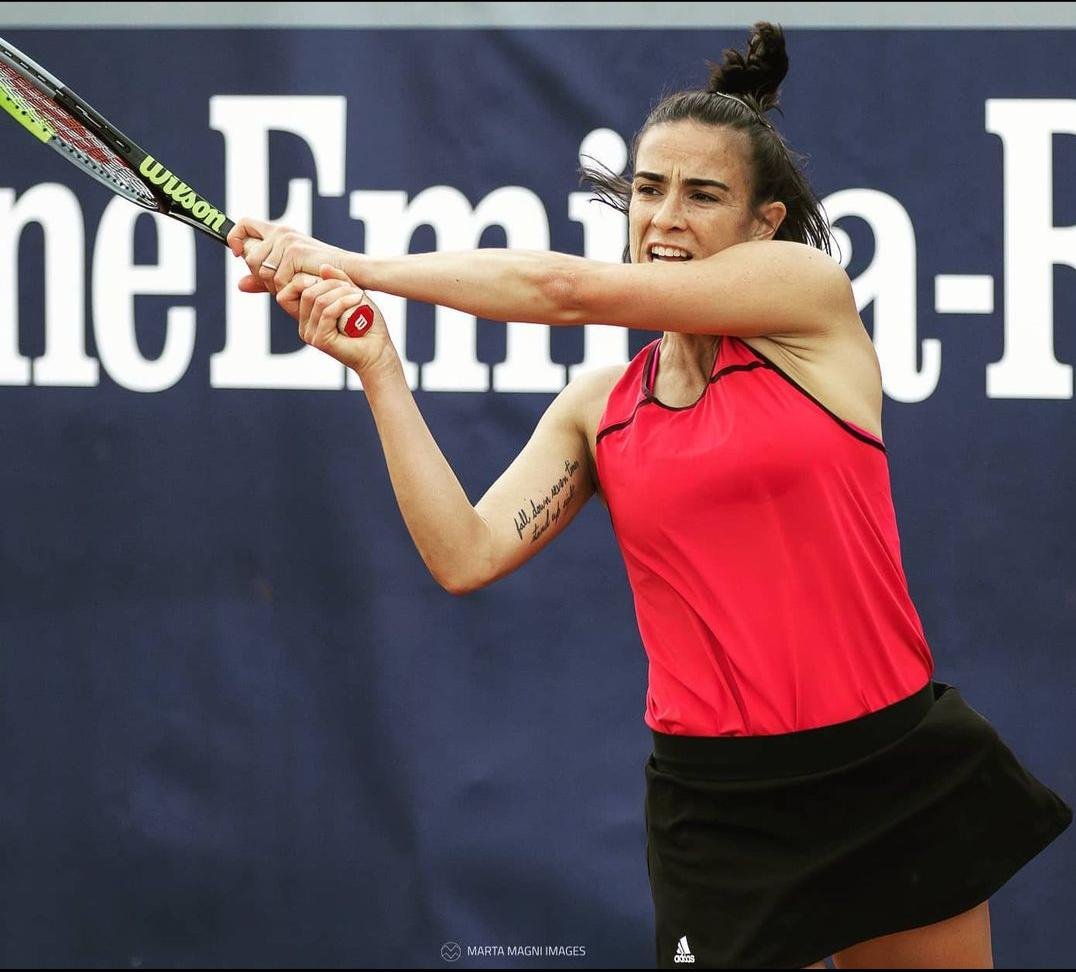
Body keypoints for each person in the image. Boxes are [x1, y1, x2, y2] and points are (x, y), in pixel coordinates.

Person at [227, 22, 1071, 970]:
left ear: (764, 226)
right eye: (647, 188)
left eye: (702, 195)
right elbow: (464, 553)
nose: (665, 217)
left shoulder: (809, 304)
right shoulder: (601, 411)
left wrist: (351, 263)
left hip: (889, 768)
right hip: (719, 810)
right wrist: (380, 368)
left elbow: (561, 288)